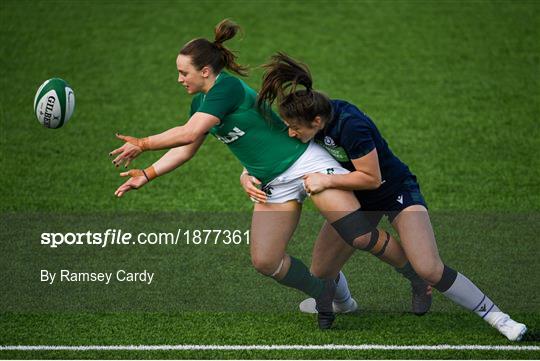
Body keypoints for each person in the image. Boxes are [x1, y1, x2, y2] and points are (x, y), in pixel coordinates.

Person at [109, 19, 428, 329]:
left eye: (183, 72)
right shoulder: (200, 104)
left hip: (306, 162)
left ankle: (415, 277)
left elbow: (190, 131)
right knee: (266, 261)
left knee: (358, 233)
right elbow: (187, 145)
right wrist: (148, 174)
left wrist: (143, 143)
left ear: (205, 71)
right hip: (272, 183)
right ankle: (323, 292)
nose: (179, 79)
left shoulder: (226, 88)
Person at [250, 52, 528, 341]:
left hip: (395, 191)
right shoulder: (310, 124)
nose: (291, 134)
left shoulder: (350, 124)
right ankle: (343, 304)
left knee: (429, 267)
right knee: (321, 270)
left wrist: (325, 179)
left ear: (317, 120)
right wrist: (247, 174)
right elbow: (275, 155)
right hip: (356, 196)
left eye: (295, 128)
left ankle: (499, 319)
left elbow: (372, 178)